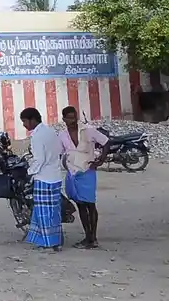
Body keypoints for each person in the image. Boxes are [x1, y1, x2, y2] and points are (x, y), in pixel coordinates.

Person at [61, 105, 108, 249]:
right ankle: (88, 237)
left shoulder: (88, 130)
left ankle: (93, 238)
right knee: (80, 205)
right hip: (73, 173)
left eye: (74, 117)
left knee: (90, 204)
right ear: (64, 119)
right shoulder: (62, 135)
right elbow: (59, 152)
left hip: (87, 171)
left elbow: (106, 142)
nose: (72, 120)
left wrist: (100, 160)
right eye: (69, 118)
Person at [20, 106, 65, 251]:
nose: (24, 125)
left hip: (44, 178)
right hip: (55, 176)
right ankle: (56, 241)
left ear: (33, 120)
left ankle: (48, 244)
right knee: (54, 212)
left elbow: (39, 159)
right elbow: (59, 151)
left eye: (25, 121)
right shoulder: (51, 132)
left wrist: (29, 172)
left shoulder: (37, 136)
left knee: (43, 213)